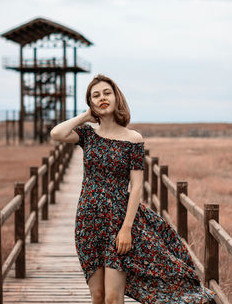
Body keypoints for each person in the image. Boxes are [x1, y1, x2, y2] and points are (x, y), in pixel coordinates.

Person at [50, 74, 216, 304]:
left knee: (112, 297)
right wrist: (86, 116)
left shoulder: (133, 139)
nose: (102, 98)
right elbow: (56, 133)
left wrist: (126, 228)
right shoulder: (87, 135)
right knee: (97, 296)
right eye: (95, 96)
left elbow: (136, 186)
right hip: (88, 221)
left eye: (107, 93)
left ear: (117, 97)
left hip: (118, 221)